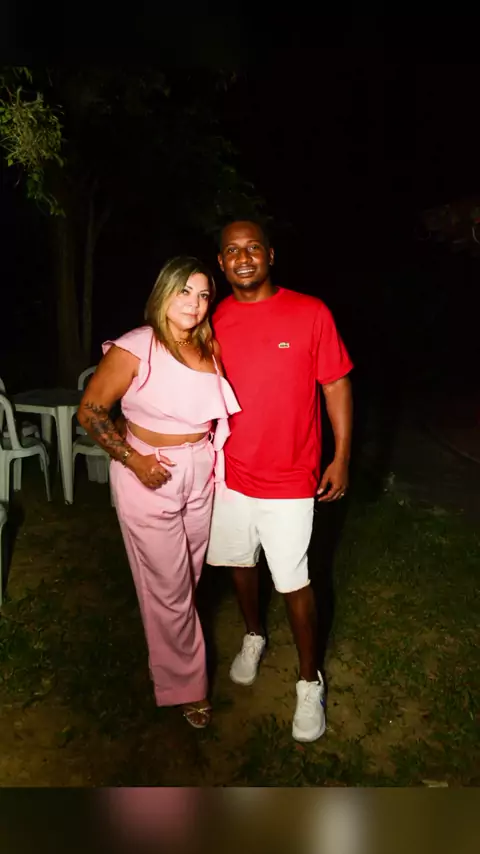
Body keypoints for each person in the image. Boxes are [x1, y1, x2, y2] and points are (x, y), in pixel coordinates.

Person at [77, 256, 240, 729]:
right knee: (171, 589)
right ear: (163, 292)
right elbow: (90, 410)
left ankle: (168, 654)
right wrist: (134, 460)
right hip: (150, 471)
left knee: (185, 579)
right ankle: (187, 686)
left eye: (203, 294)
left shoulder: (208, 346)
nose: (195, 303)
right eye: (184, 291)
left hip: (200, 470)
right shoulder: (137, 345)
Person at [206, 220, 353, 742]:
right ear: (221, 263)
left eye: (253, 248)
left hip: (291, 477)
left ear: (270, 254)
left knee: (293, 581)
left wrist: (341, 457)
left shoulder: (310, 312)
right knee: (239, 563)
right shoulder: (213, 319)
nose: (243, 257)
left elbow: (336, 384)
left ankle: (309, 681)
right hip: (229, 474)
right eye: (232, 251)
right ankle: (253, 634)